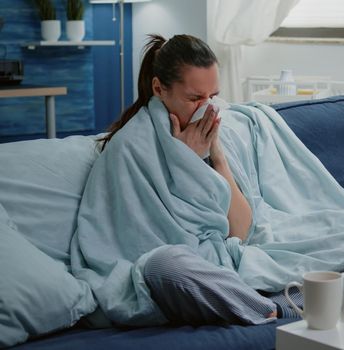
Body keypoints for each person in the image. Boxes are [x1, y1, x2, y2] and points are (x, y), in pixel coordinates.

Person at [98, 34, 279, 325]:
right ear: (159, 88)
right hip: (170, 267)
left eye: (213, 97)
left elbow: (240, 232)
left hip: (214, 265)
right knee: (164, 265)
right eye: (195, 98)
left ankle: (264, 307)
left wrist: (215, 156)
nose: (208, 108)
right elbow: (148, 241)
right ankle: (273, 308)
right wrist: (186, 161)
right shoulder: (130, 146)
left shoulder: (215, 135)